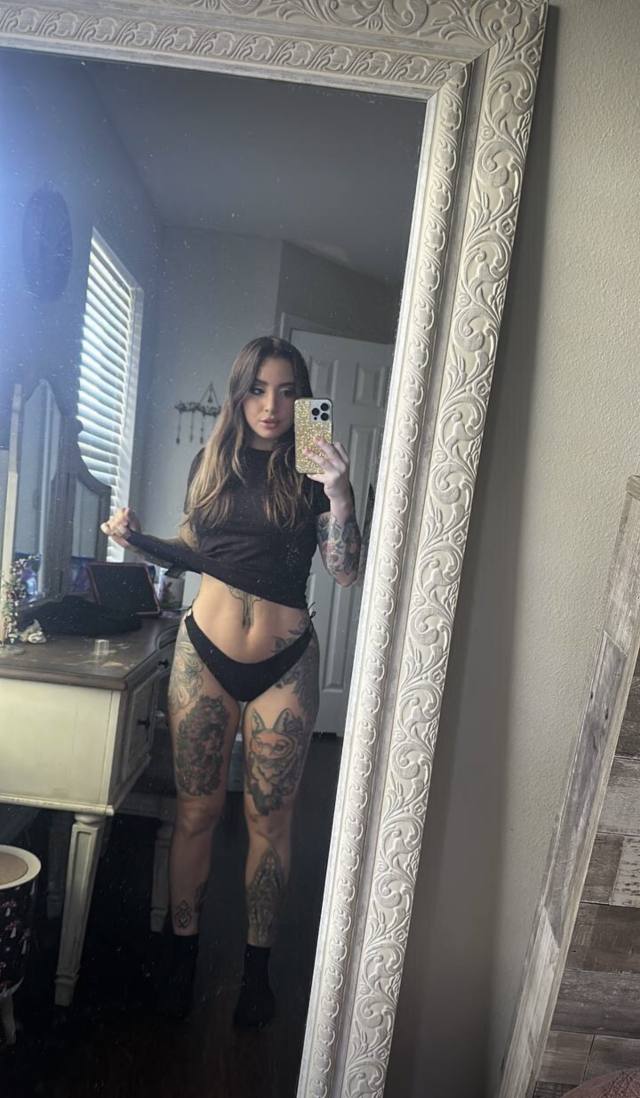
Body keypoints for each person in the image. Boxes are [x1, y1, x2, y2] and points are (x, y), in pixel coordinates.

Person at [101, 336, 361, 1026]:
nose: (271, 406)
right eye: (258, 389)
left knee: (270, 822)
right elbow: (193, 553)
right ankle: (180, 959)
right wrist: (138, 540)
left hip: (286, 664)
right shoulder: (210, 462)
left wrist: (339, 493)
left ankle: (256, 972)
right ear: (239, 393)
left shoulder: (314, 469)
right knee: (196, 813)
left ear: (303, 401)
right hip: (203, 657)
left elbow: (344, 573)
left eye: (287, 392)